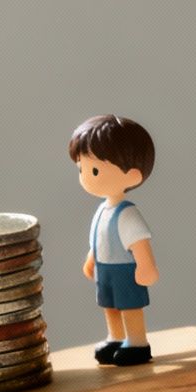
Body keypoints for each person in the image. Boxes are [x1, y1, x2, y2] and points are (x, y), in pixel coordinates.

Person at [70, 115, 159, 365]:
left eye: (94, 170)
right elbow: (98, 239)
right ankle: (116, 337)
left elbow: (138, 243)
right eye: (82, 168)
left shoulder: (127, 214)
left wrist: (146, 266)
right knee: (109, 305)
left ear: (132, 176)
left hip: (124, 270)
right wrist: (91, 259)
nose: (86, 176)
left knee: (129, 306)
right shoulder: (102, 209)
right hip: (105, 269)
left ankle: (137, 342)